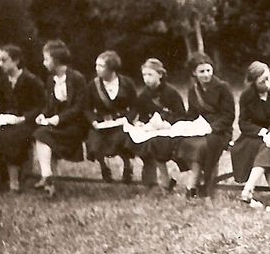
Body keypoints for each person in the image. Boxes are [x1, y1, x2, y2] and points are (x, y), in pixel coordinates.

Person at [174, 52, 235, 205]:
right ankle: (196, 182)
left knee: (203, 146)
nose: (206, 74)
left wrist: (212, 128)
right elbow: (192, 114)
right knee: (182, 142)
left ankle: (200, 187)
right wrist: (186, 126)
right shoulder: (193, 90)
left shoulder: (223, 88)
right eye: (202, 71)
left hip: (220, 130)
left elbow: (229, 116)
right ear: (194, 73)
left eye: (208, 70)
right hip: (200, 128)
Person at [232, 61, 270, 210]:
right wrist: (263, 132)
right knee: (267, 150)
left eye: (268, 78)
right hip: (255, 136)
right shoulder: (247, 96)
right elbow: (243, 123)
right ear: (253, 83)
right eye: (262, 81)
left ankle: (248, 189)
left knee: (269, 147)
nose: (267, 83)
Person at [33, 40, 89, 196]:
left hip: (75, 124)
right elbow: (49, 105)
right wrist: (43, 114)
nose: (44, 63)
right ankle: (49, 178)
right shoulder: (51, 79)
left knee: (43, 134)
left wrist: (58, 118)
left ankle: (48, 178)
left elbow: (79, 107)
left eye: (46, 59)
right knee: (41, 134)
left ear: (56, 60)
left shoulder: (77, 78)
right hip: (57, 122)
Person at [0, 44, 45, 192]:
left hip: (29, 121)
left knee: (11, 137)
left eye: (4, 60)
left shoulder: (31, 80)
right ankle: (0, 176)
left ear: (16, 61)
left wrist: (24, 118)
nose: (0, 64)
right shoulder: (4, 79)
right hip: (8, 120)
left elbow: (41, 105)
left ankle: (14, 183)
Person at [132, 58, 186, 192]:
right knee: (150, 143)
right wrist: (141, 123)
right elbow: (143, 116)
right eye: (144, 75)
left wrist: (167, 122)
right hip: (154, 132)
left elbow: (181, 115)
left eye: (150, 74)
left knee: (166, 144)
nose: (146, 78)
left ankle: (188, 179)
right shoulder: (143, 95)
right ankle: (162, 178)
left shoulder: (171, 93)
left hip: (172, 130)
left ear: (160, 75)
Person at [84, 50, 137, 184]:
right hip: (101, 122)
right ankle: (104, 167)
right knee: (95, 140)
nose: (97, 68)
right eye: (96, 65)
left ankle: (127, 166)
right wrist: (93, 121)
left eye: (101, 66)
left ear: (111, 68)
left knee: (122, 138)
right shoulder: (93, 85)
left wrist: (127, 119)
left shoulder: (127, 83)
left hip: (121, 122)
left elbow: (135, 106)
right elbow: (87, 108)